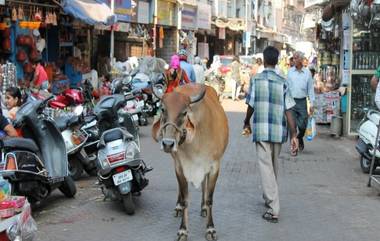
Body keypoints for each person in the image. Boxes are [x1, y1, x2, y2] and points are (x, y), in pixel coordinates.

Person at [243, 46, 298, 223]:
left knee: (267, 167)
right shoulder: (283, 81)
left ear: (265, 61)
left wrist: (246, 121)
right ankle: (270, 199)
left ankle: (274, 208)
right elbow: (289, 109)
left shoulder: (256, 80)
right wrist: (294, 134)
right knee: (272, 167)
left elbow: (251, 104)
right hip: (278, 130)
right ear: (276, 61)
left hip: (261, 129)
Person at [287, 51, 315, 152]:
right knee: (292, 125)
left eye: (295, 58)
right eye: (293, 58)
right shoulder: (290, 72)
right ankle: (293, 147)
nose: (293, 60)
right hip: (291, 101)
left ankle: (299, 137)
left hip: (302, 102)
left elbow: (310, 89)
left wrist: (312, 104)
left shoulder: (307, 73)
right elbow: (286, 87)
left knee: (303, 124)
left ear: (300, 60)